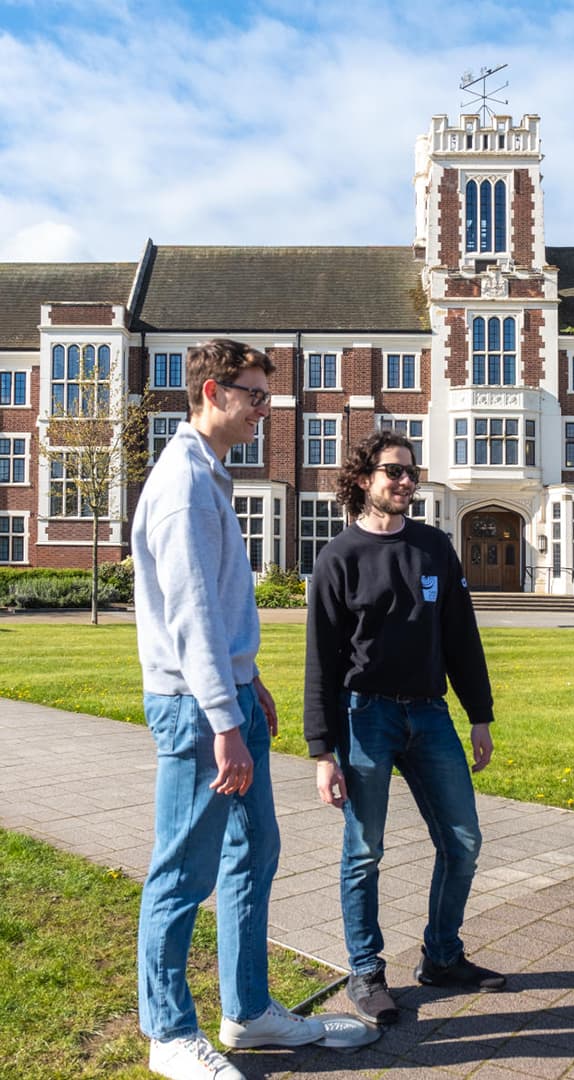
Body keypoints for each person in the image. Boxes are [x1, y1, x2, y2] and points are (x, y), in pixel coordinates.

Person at [133, 339, 328, 1080]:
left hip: (229, 698)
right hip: (195, 709)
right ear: (212, 392)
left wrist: (251, 684)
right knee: (183, 872)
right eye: (253, 397)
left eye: (265, 398)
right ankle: (168, 1030)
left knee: (256, 851)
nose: (263, 412)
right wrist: (223, 719)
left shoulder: (211, 474)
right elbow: (190, 618)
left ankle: (248, 1013)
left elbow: (221, 605)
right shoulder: (183, 482)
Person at [303, 431, 506, 1026]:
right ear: (364, 479)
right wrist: (322, 751)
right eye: (393, 472)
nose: (405, 482)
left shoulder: (434, 548)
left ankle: (442, 956)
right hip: (365, 716)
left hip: (430, 714)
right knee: (364, 851)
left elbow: (463, 638)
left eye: (411, 472)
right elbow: (321, 661)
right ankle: (365, 971)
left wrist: (481, 716)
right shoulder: (339, 558)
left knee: (463, 842)